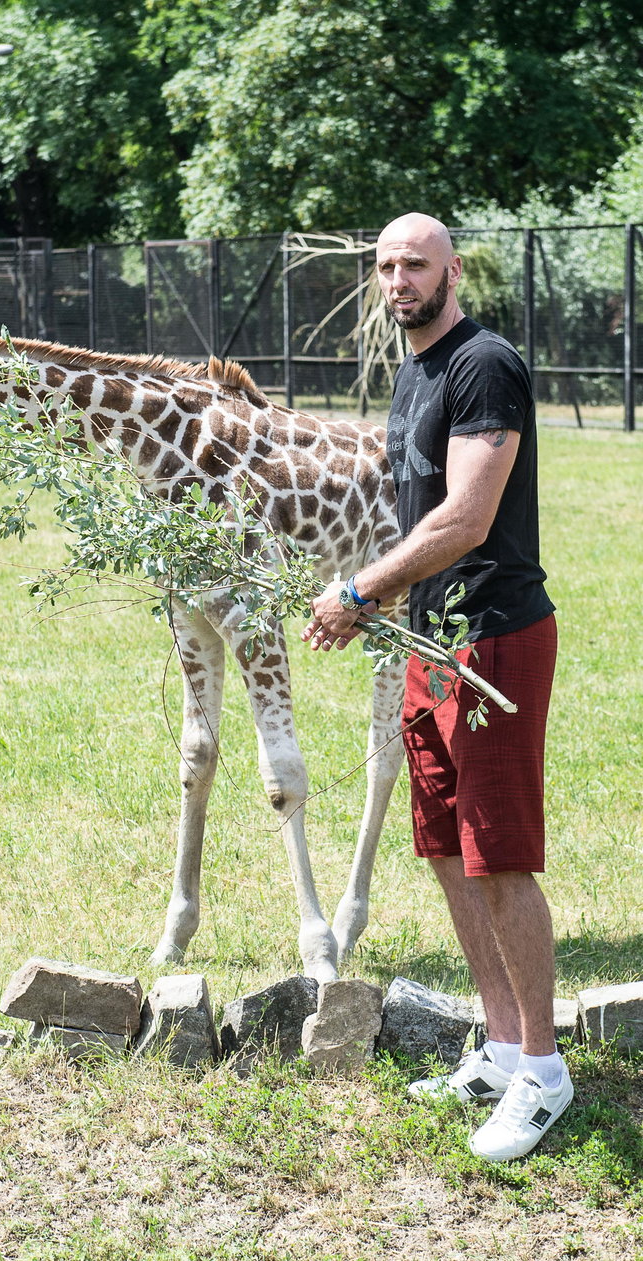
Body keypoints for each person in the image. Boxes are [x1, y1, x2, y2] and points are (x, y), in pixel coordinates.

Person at [302, 212, 571, 1163]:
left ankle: (544, 1070)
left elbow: (466, 515)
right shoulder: (411, 370)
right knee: (446, 848)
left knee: (498, 854)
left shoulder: (481, 364)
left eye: (415, 263)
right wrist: (383, 599)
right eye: (385, 266)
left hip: (492, 638)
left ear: (452, 271)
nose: (397, 279)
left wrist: (358, 588)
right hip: (431, 638)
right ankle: (500, 1046)